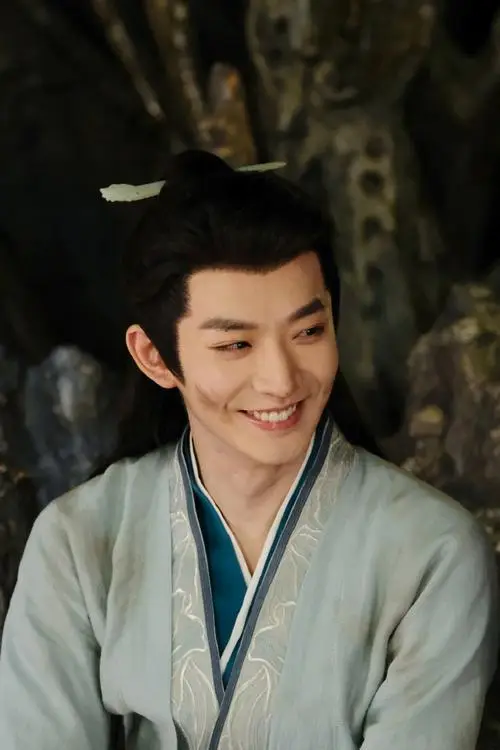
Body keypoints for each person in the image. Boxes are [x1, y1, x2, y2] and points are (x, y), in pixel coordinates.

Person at [0, 150, 497, 750]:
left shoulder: (433, 552)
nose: (281, 381)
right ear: (155, 357)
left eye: (308, 331)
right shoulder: (79, 541)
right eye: (236, 345)